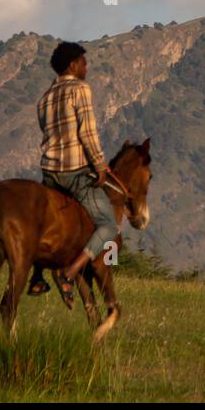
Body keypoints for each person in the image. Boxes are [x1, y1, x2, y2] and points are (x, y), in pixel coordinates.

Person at [27, 41, 122, 298]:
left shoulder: (44, 98)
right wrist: (100, 165)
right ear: (73, 65)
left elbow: (47, 132)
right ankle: (71, 271)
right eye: (84, 62)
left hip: (49, 173)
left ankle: (36, 277)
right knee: (108, 224)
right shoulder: (80, 89)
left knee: (39, 225)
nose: (86, 68)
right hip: (74, 173)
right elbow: (87, 132)